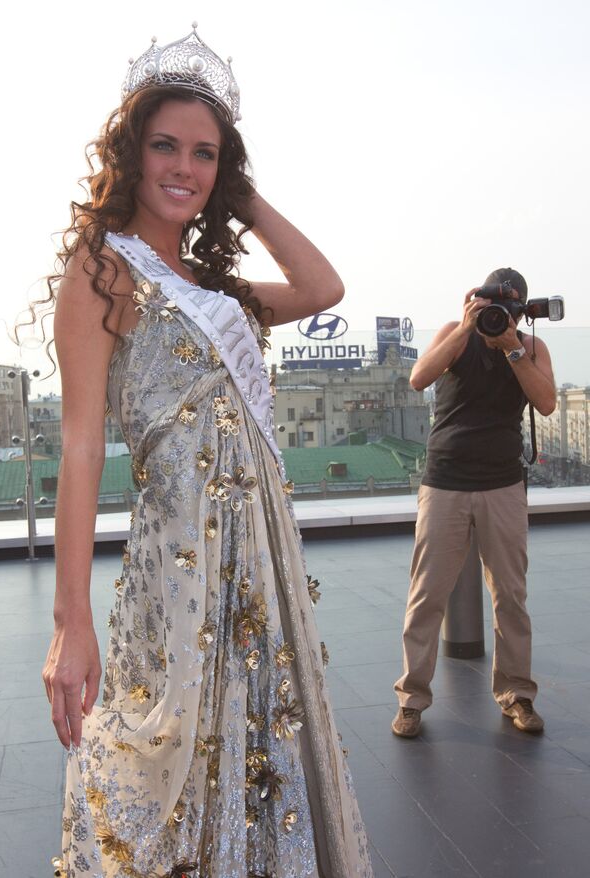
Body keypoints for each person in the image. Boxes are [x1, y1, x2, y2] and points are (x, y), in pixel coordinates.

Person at [40, 25, 373, 878]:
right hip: (178, 564)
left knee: (257, 754)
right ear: (129, 152)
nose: (183, 168)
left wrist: (243, 194)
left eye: (204, 154)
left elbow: (322, 288)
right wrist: (71, 621)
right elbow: (80, 448)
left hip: (257, 562)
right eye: (165, 147)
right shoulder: (102, 269)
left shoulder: (214, 289)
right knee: (162, 759)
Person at [392, 268, 557, 739]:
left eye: (507, 310)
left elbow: (545, 402)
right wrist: (466, 327)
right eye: (490, 308)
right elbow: (419, 377)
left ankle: (517, 695)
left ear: (521, 311)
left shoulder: (530, 348)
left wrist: (512, 348)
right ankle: (411, 700)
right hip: (445, 480)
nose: (497, 318)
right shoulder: (456, 335)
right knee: (426, 596)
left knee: (511, 596)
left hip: (503, 482)